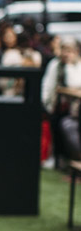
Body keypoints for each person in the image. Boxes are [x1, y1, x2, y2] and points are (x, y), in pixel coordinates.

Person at [41, 36, 81, 165]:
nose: (66, 53)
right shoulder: (55, 64)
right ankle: (55, 158)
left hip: (74, 108)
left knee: (67, 126)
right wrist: (47, 103)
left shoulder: (77, 65)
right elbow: (47, 85)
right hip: (55, 105)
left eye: (69, 50)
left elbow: (73, 83)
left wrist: (69, 66)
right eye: (64, 49)